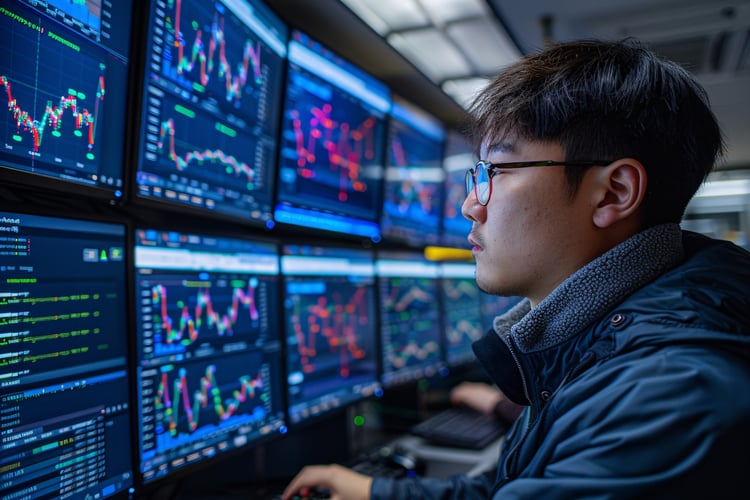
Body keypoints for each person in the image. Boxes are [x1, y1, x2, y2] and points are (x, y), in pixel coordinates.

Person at [282, 38, 750, 499]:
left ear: (613, 193)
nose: (470, 205)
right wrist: (377, 492)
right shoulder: (603, 349)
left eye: (496, 173)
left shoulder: (668, 399)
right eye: (476, 176)